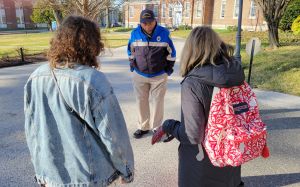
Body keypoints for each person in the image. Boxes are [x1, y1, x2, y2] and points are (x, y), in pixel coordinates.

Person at [24, 16, 134, 187]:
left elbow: (32, 131)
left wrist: (40, 170)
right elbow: (113, 135)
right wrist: (126, 170)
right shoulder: (93, 81)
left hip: (51, 175)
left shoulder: (36, 77)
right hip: (90, 177)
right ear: (92, 45)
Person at [152, 26, 245, 187]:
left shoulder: (193, 83)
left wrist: (169, 126)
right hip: (231, 156)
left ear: (191, 49)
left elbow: (192, 135)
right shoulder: (236, 75)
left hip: (202, 163)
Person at [127, 9, 176, 139]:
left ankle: (157, 127)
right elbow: (130, 50)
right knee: (141, 101)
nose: (147, 26)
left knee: (158, 101)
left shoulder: (164, 33)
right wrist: (132, 64)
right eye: (144, 23)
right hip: (140, 74)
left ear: (155, 21)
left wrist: (168, 69)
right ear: (140, 23)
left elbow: (172, 52)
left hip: (159, 75)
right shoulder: (134, 33)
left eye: (150, 22)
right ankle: (143, 127)